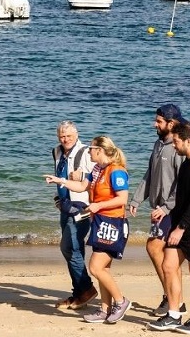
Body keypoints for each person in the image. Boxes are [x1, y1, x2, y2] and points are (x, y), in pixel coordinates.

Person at [46, 135, 131, 325]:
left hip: (113, 223)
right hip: (100, 222)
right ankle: (104, 309)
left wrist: (98, 206)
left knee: (95, 267)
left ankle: (121, 301)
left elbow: (122, 199)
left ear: (99, 150)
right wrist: (60, 181)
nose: (88, 151)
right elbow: (82, 186)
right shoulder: (97, 169)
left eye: (91, 149)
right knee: (104, 269)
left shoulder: (116, 171)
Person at [147, 122, 190, 334]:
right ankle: (174, 314)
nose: (174, 146)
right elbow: (180, 198)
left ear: (188, 140)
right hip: (178, 226)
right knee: (169, 266)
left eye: (176, 142)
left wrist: (181, 228)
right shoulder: (187, 163)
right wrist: (168, 215)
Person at [129, 104, 188, 317]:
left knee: (155, 248)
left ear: (171, 124)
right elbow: (150, 174)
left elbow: (182, 184)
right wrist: (136, 199)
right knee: (164, 253)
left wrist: (166, 207)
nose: (155, 124)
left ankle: (171, 297)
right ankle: (175, 299)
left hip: (171, 210)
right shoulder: (159, 144)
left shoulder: (179, 148)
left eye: (159, 121)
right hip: (159, 209)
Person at [48, 120, 97, 311]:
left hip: (82, 208)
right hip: (65, 208)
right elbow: (58, 176)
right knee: (74, 250)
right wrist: (58, 200)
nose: (65, 139)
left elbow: (97, 176)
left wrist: (83, 175)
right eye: (62, 135)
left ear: (76, 135)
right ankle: (79, 293)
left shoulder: (86, 152)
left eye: (68, 135)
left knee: (69, 248)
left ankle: (86, 290)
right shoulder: (57, 151)